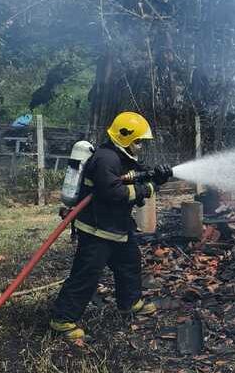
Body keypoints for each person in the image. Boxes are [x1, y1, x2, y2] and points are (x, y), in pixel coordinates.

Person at [50, 111, 173, 340]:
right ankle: (63, 320)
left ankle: (129, 303)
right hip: (97, 230)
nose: (140, 146)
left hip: (117, 228)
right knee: (86, 275)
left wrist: (157, 176)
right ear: (125, 137)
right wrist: (147, 189)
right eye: (137, 141)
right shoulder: (106, 158)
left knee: (129, 264)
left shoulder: (121, 156)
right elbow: (113, 192)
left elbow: (135, 174)